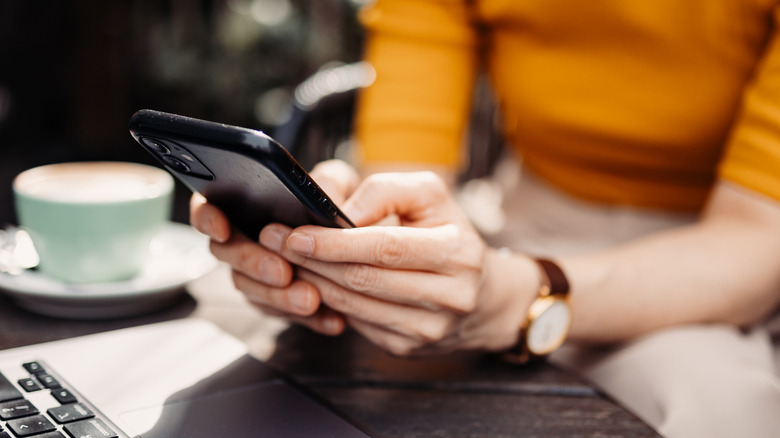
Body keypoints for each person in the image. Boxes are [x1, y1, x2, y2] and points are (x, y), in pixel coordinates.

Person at [191, 1, 780, 436]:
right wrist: (358, 238)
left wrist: (516, 299)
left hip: (714, 252)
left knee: (724, 408)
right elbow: (404, 176)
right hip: (523, 217)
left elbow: (757, 240)